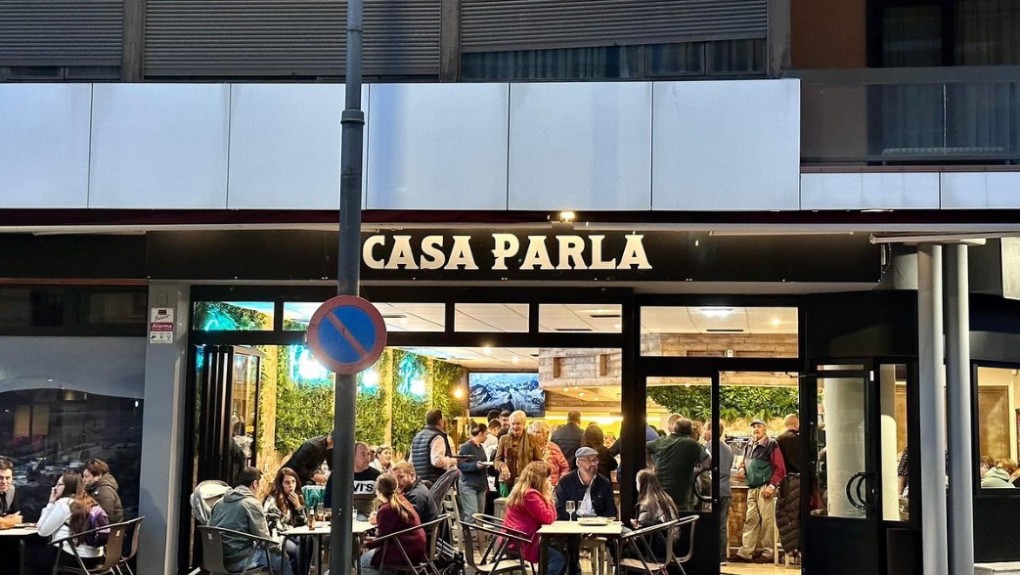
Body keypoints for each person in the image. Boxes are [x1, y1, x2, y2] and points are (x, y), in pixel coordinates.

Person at [208, 466, 294, 575]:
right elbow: (264, 540)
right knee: (281, 559)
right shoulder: (252, 503)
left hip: (217, 561)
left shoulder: (218, 503)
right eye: (260, 484)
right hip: (239, 560)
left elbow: (210, 529)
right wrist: (278, 547)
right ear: (255, 484)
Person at [555, 446, 617, 575]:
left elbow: (611, 510)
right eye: (589, 460)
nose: (594, 464)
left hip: (599, 525)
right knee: (566, 540)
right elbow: (561, 511)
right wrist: (580, 525)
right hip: (574, 525)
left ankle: (620, 570)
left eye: (595, 460)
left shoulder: (604, 482)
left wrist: (597, 525)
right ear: (579, 463)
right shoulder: (566, 482)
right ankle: (573, 571)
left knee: (621, 538)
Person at [731, 419, 787, 564]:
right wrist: (742, 469)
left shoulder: (771, 444)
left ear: (765, 428)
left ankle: (769, 553)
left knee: (768, 522)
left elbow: (780, 469)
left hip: (765, 487)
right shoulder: (749, 444)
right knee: (751, 520)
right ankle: (745, 553)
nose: (756, 429)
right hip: (752, 487)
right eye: (754, 427)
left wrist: (772, 486)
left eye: (759, 426)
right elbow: (744, 462)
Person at [34, 473, 108, 575]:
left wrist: (50, 503)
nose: (55, 487)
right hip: (96, 558)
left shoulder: (64, 503)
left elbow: (42, 531)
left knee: (36, 556)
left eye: (59, 484)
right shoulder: (90, 501)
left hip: (72, 557)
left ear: (68, 487)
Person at [503, 462, 565, 575]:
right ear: (539, 479)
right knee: (558, 558)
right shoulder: (530, 495)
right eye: (547, 477)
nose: (550, 479)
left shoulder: (523, 491)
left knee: (562, 552)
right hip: (523, 542)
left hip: (519, 538)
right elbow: (548, 518)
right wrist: (549, 496)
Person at [361, 474, 426, 575]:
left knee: (360, 563)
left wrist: (365, 544)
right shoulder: (402, 500)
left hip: (404, 552)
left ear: (378, 491)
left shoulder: (387, 509)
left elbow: (382, 539)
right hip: (416, 549)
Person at [646, 417, 709, 511]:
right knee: (681, 516)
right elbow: (708, 462)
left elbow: (645, 448)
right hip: (681, 494)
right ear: (690, 431)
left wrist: (651, 466)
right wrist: (697, 472)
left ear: (675, 428)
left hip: (660, 493)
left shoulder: (661, 441)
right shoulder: (691, 444)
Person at [263, 467, 310, 575]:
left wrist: (298, 507)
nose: (291, 485)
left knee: (307, 542)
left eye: (293, 482)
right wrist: (292, 529)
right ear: (281, 484)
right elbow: (275, 525)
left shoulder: (296, 498)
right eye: (287, 482)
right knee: (297, 549)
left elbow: (304, 524)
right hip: (277, 536)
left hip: (291, 535)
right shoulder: (273, 500)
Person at [631, 469, 680, 559]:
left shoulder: (647, 503)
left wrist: (636, 525)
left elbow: (642, 533)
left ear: (641, 484)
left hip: (656, 549)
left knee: (618, 544)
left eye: (636, 483)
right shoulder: (666, 497)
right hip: (672, 545)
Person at [705, 421, 734, 564]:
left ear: (711, 431)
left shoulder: (707, 448)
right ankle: (722, 557)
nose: (704, 432)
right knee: (722, 526)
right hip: (726, 490)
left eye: (706, 429)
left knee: (709, 524)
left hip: (712, 490)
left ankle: (710, 555)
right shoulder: (729, 449)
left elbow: (704, 471)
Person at [495, 411, 544, 493]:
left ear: (524, 424)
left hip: (526, 481)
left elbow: (539, 461)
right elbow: (497, 461)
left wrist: (530, 470)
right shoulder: (503, 439)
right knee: (505, 501)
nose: (515, 426)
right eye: (513, 424)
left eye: (518, 424)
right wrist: (502, 466)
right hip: (505, 481)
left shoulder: (532, 439)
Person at [410, 409, 458, 484]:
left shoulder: (417, 437)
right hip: (434, 482)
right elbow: (437, 461)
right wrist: (453, 460)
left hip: (419, 482)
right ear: (440, 421)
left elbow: (411, 461)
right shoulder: (437, 437)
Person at [457, 422, 490, 523]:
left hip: (480, 485)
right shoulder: (466, 447)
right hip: (469, 485)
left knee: (480, 515)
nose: (487, 437)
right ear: (480, 433)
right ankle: (469, 532)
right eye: (486, 434)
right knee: (472, 514)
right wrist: (475, 465)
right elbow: (460, 464)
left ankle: (478, 533)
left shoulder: (480, 447)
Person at [82, 458, 124, 523]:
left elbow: (103, 518)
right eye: (83, 476)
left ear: (98, 475)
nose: (83, 480)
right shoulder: (96, 489)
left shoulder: (104, 491)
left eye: (86, 476)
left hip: (106, 528)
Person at [529, 421, 570, 486]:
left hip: (552, 486)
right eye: (533, 432)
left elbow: (565, 468)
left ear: (546, 434)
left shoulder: (554, 448)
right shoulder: (529, 448)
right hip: (532, 486)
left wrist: (559, 483)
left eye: (538, 432)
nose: (534, 435)